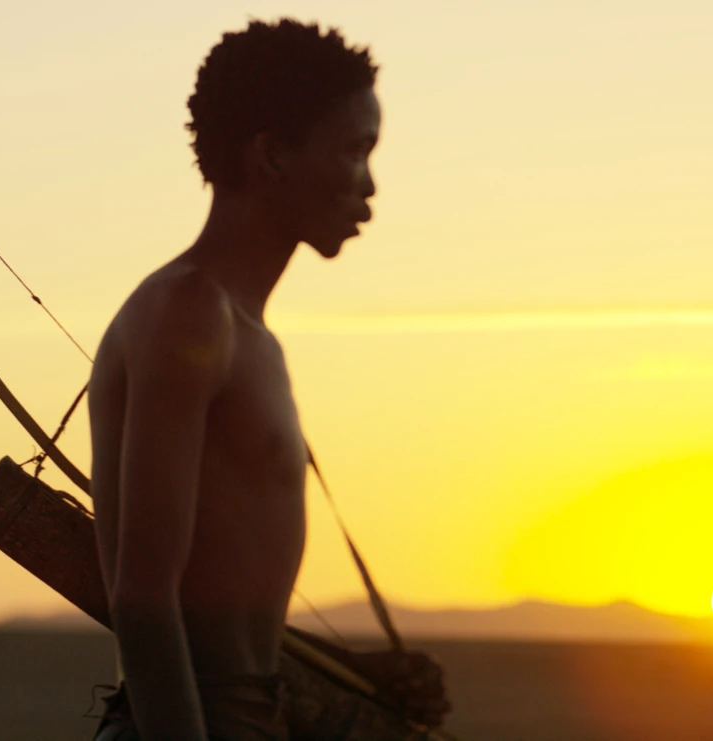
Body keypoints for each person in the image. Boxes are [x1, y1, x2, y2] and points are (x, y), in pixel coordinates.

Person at [85, 18, 451, 741]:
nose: (369, 183)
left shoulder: (250, 337)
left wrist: (360, 674)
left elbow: (221, 608)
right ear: (272, 154)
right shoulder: (188, 312)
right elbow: (143, 599)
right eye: (354, 150)